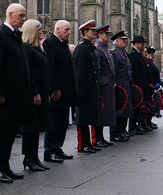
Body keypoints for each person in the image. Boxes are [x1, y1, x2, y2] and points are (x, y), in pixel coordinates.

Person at [0, 3, 33, 183]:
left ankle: (5, 167)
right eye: (21, 16)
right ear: (10, 14)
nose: (23, 19)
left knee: (10, 133)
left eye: (24, 16)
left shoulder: (16, 36)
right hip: (6, 95)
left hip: (18, 94)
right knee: (2, 134)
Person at [42, 20, 76, 164]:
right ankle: (50, 150)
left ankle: (57, 148)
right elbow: (51, 68)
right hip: (57, 91)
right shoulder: (50, 43)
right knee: (54, 121)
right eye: (67, 29)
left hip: (66, 90)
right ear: (58, 30)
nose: (69, 32)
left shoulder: (63, 45)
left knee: (62, 121)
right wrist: (54, 88)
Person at [20, 19, 50, 171]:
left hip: (42, 90)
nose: (41, 32)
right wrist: (35, 92)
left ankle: (34, 157)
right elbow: (27, 72)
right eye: (38, 30)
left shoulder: (38, 48)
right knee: (30, 127)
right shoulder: (26, 48)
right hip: (33, 92)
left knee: (37, 126)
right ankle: (28, 157)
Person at [73, 20, 99, 153]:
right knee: (83, 118)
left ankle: (88, 142)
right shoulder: (82, 48)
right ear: (85, 32)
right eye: (92, 30)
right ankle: (83, 144)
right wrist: (80, 92)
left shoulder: (89, 48)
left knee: (89, 117)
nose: (95, 32)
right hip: (84, 90)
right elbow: (78, 72)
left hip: (91, 89)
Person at [93, 24, 115, 147]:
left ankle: (101, 137)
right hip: (103, 84)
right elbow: (97, 68)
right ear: (100, 35)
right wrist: (102, 81)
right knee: (101, 112)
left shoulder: (105, 48)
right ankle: (97, 138)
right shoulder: (98, 48)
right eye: (106, 34)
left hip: (108, 84)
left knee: (105, 112)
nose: (108, 36)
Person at [110, 31, 133, 142]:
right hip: (119, 85)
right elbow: (113, 71)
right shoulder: (115, 53)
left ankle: (122, 131)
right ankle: (115, 133)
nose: (125, 41)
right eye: (123, 40)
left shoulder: (124, 53)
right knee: (119, 110)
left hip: (126, 84)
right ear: (116, 41)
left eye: (126, 39)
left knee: (126, 110)